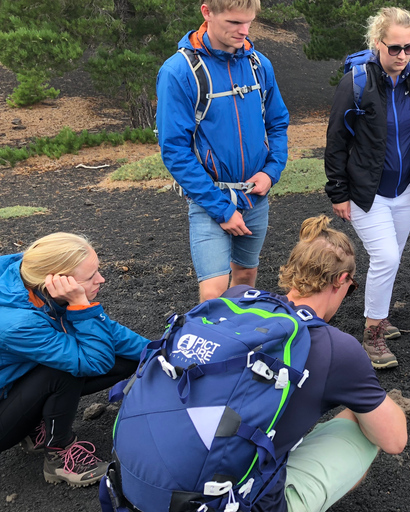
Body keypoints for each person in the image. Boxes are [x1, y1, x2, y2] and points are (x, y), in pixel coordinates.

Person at [230, 215, 407, 511]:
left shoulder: (236, 298)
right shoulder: (335, 346)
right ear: (341, 280)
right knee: (362, 422)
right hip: (239, 501)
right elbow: (395, 441)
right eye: (351, 287)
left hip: (163, 485)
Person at [325, 7, 410, 369]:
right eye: (395, 48)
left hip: (406, 190)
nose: (403, 55)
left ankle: (380, 315)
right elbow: (335, 142)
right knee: (386, 257)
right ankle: (373, 333)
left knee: (390, 259)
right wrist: (338, 192)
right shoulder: (356, 83)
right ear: (377, 43)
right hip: (367, 192)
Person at [156, 0, 289, 303]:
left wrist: (271, 171)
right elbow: (174, 150)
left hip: (255, 198)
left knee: (244, 280)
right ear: (207, 13)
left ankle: (239, 348)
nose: (244, 31)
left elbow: (278, 122)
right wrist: (221, 208)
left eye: (249, 23)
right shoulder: (178, 72)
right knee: (213, 294)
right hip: (209, 201)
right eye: (234, 23)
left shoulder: (258, 64)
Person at [0, 233, 149, 487]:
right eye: (91, 277)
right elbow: (94, 362)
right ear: (56, 282)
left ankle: (32, 426)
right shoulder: (18, 323)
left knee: (128, 358)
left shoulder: (32, 280)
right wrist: (80, 304)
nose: (101, 279)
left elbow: (111, 333)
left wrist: (161, 351)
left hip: (10, 386)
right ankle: (59, 457)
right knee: (63, 371)